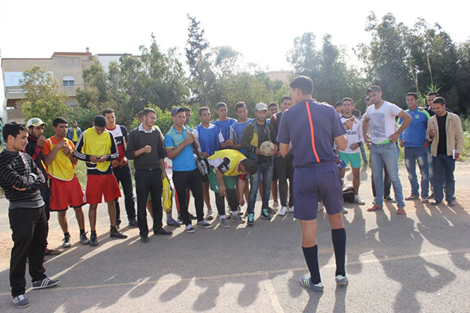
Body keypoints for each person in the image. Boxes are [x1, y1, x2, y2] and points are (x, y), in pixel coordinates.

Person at [277, 75, 348, 292]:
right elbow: (343, 143)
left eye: (291, 92)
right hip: (328, 170)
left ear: (297, 91)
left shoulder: (288, 115)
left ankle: (316, 280)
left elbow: (282, 151)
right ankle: (341, 274)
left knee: (308, 227)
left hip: (304, 173)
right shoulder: (328, 110)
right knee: (336, 220)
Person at [0, 122, 60, 308]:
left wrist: (29, 181)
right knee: (21, 250)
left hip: (38, 206)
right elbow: (17, 181)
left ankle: (38, 278)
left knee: (39, 244)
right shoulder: (3, 161)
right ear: (10, 138)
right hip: (21, 210)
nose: (27, 141)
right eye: (23, 138)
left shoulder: (25, 156)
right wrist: (30, 180)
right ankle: (18, 291)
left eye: (27, 137)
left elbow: (41, 176)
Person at [74, 115, 127, 246]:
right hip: (93, 173)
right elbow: (76, 153)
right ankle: (93, 233)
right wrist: (89, 157)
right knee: (93, 204)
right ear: (93, 125)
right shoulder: (86, 134)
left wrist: (107, 157)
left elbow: (115, 154)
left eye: (102, 129)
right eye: (98, 129)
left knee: (111, 202)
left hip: (108, 172)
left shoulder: (108, 134)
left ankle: (113, 228)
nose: (100, 132)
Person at [362, 85, 412, 215]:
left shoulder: (390, 107)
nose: (373, 98)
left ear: (380, 93)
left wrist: (397, 134)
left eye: (375, 95)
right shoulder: (370, 109)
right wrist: (364, 136)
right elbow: (365, 121)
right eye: (371, 96)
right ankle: (378, 202)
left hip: (388, 146)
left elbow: (407, 118)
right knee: (377, 177)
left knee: (394, 177)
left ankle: (400, 205)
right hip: (374, 147)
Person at [126, 108, 173, 242]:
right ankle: (143, 232)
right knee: (142, 203)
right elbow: (129, 154)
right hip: (142, 172)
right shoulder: (134, 134)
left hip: (156, 171)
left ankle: (158, 228)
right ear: (144, 117)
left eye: (154, 118)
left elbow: (160, 153)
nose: (153, 120)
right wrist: (142, 150)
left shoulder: (156, 132)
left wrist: (163, 171)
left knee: (157, 202)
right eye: (151, 117)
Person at [42, 117, 89, 248]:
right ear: (54, 128)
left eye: (66, 127)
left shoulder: (69, 142)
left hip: (71, 178)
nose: (64, 129)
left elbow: (74, 162)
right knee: (61, 211)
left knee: (78, 208)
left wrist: (69, 154)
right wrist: (56, 148)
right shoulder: (48, 142)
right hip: (57, 180)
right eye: (61, 127)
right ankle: (66, 236)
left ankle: (82, 233)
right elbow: (46, 161)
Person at [165, 107, 212, 233]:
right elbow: (170, 155)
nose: (182, 119)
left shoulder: (188, 129)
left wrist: (194, 140)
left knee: (199, 195)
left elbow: (195, 147)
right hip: (179, 171)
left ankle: (201, 219)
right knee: (182, 198)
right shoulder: (169, 135)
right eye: (179, 117)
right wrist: (183, 143)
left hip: (193, 168)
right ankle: (187, 223)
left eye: (184, 117)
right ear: (173, 118)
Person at [25, 118, 60, 256]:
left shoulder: (39, 142)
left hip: (43, 184)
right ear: (30, 129)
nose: (40, 131)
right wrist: (39, 147)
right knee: (33, 221)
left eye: (42, 128)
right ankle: (31, 252)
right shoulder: (26, 143)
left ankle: (42, 247)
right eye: (37, 128)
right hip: (32, 187)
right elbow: (28, 164)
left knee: (44, 219)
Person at [241, 102, 278, 226]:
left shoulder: (270, 127)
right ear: (256, 113)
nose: (262, 114)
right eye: (259, 112)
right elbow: (243, 143)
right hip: (255, 163)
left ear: (266, 113)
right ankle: (251, 213)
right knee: (254, 190)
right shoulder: (250, 127)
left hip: (268, 162)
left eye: (264, 112)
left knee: (267, 188)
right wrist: (253, 149)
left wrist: (274, 149)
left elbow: (275, 142)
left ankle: (264, 210)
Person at [103, 108, 137, 227]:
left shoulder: (121, 129)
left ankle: (132, 218)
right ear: (104, 119)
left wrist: (126, 158)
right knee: (114, 196)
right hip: (112, 168)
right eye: (108, 118)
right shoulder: (103, 132)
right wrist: (111, 160)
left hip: (124, 165)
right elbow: (102, 151)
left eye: (113, 117)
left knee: (129, 194)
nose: (111, 120)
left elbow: (128, 147)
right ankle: (116, 221)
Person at [427, 97, 464, 206]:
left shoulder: (454, 118)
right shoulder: (432, 120)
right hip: (436, 153)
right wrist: (431, 135)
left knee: (449, 177)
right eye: (434, 108)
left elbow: (459, 136)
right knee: (437, 177)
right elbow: (428, 137)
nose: (436, 110)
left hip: (449, 153)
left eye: (438, 108)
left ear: (444, 106)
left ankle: (450, 197)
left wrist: (458, 150)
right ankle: (438, 198)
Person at [193, 107, 229, 220]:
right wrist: (200, 153)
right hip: (203, 163)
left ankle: (222, 210)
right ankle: (209, 209)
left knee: (218, 186)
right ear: (200, 116)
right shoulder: (196, 130)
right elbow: (194, 147)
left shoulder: (216, 128)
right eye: (204, 114)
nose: (207, 116)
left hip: (216, 162)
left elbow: (221, 144)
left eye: (208, 114)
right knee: (205, 186)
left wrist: (227, 143)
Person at [207, 149, 257, 227]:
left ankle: (234, 214)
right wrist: (221, 185)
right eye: (247, 173)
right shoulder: (229, 162)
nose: (247, 174)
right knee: (220, 192)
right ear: (243, 168)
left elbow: (241, 182)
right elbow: (219, 172)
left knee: (231, 190)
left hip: (227, 172)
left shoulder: (245, 164)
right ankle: (222, 217)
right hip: (214, 169)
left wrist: (240, 197)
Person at [399, 92, 431, 203]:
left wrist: (427, 140)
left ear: (416, 100)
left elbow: (430, 127)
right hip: (408, 147)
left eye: (412, 99)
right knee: (411, 172)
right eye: (407, 100)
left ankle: (425, 194)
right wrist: (400, 139)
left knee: (424, 172)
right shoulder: (404, 113)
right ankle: (414, 193)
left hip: (421, 147)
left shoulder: (423, 113)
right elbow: (399, 127)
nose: (410, 102)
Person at [270, 96, 295, 216]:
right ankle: (283, 205)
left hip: (293, 153)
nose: (287, 106)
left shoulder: (296, 116)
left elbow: (297, 134)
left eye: (289, 104)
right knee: (282, 180)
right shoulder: (275, 118)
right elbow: (273, 135)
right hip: (280, 154)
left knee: (293, 179)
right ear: (281, 105)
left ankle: (293, 204)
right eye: (285, 104)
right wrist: (278, 149)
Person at [339, 98, 365, 205]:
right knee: (340, 176)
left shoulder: (358, 121)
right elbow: (336, 137)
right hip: (342, 152)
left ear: (352, 106)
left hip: (355, 153)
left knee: (356, 175)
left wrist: (358, 144)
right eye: (344, 105)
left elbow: (362, 137)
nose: (346, 107)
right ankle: (339, 198)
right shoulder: (338, 121)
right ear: (342, 107)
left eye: (348, 105)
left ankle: (356, 195)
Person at [229, 102, 254, 212]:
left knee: (251, 184)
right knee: (240, 183)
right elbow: (232, 145)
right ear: (236, 113)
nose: (242, 113)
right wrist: (245, 145)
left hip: (253, 156)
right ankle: (239, 204)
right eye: (240, 112)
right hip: (240, 159)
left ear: (247, 110)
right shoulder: (233, 127)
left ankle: (250, 207)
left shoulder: (253, 122)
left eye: (244, 111)